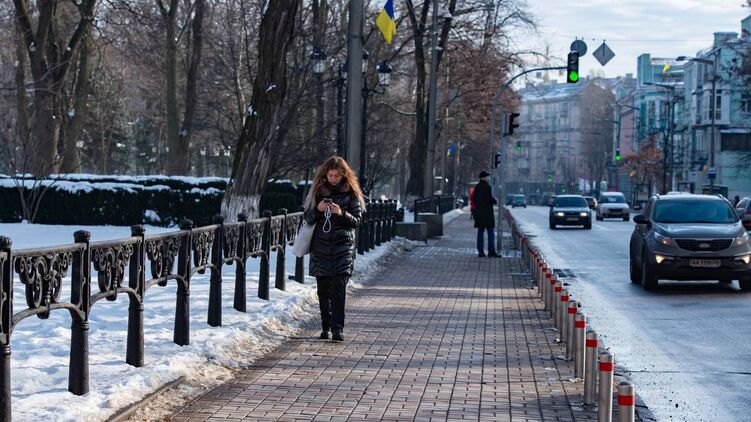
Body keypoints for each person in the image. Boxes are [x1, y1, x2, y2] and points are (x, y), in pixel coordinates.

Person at [304, 156, 364, 342]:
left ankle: (337, 328)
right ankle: (325, 326)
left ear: (343, 175)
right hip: (321, 247)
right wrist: (318, 209)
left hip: (343, 247)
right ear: (325, 174)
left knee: (338, 288)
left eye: (337, 176)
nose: (333, 179)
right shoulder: (318, 192)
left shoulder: (351, 193)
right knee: (323, 290)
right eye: (330, 175)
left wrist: (341, 212)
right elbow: (307, 218)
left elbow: (357, 221)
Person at [473, 171, 499, 257]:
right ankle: (491, 251)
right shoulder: (487, 187)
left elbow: (474, 199)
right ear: (483, 178)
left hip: (479, 213)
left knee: (480, 232)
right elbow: (488, 198)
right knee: (490, 232)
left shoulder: (477, 187)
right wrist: (494, 201)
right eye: (486, 177)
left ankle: (480, 252)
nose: (487, 178)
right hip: (487, 213)